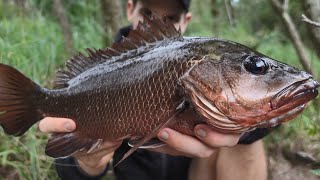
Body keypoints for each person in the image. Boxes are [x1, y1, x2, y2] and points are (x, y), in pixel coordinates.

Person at [39, 0, 268, 179]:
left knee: (245, 142)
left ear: (186, 20)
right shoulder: (101, 71)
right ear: (130, 8)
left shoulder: (200, 57)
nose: (154, 22)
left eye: (170, 18)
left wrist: (245, 128)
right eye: (147, 13)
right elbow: (68, 171)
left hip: (192, 175)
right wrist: (86, 163)